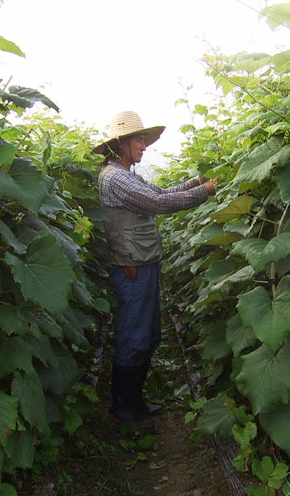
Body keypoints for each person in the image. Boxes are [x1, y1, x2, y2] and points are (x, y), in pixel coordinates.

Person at [93, 111, 216, 425]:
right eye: (138, 140)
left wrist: (196, 182)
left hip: (142, 263)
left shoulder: (127, 175)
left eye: (144, 140)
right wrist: (204, 192)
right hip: (132, 268)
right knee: (134, 337)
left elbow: (160, 193)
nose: (144, 145)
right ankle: (124, 408)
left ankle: (136, 401)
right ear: (120, 143)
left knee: (147, 335)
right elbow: (158, 205)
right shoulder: (114, 177)